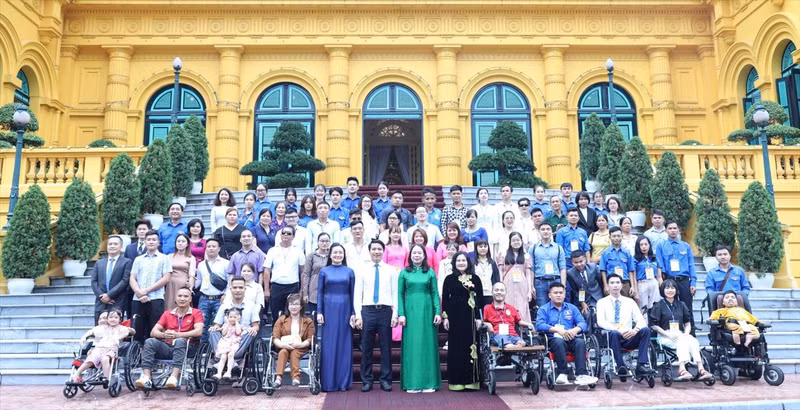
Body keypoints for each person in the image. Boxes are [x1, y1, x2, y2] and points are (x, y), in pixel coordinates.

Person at [134, 287, 204, 389]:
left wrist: (178, 335)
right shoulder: (167, 313)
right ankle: (147, 377)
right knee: (150, 341)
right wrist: (164, 335)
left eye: (185, 296)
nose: (182, 298)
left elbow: (199, 332)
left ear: (190, 299)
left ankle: (174, 377)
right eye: (179, 296)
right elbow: (154, 332)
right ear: (175, 298)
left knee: (180, 341)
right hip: (168, 346)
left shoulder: (196, 313)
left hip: (188, 348)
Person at [354, 240, 398, 392]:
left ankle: (385, 380)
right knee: (366, 347)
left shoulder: (392, 270)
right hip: (367, 311)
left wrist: (395, 314)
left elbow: (395, 293)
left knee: (386, 347)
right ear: (369, 251)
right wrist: (358, 315)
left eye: (379, 249)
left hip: (385, 311)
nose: (377, 252)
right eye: (374, 249)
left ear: (384, 250)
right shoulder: (361, 270)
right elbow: (357, 294)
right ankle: (367, 380)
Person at [398, 244, 442, 393]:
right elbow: (399, 294)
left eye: (419, 253)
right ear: (410, 256)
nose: (416, 255)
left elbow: (435, 293)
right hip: (410, 311)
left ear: (424, 256)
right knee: (412, 345)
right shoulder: (404, 273)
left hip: (427, 310)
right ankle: (412, 383)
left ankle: (429, 382)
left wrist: (438, 312)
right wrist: (401, 314)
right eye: (414, 253)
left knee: (428, 345)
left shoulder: (430, 272)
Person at [535, 282, 597, 385]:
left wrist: (575, 330)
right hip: (553, 339)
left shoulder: (572, 308)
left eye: (561, 292)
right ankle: (562, 374)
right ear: (550, 295)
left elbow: (583, 323)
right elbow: (540, 325)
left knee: (580, 342)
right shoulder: (544, 309)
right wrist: (557, 330)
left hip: (570, 337)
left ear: (564, 295)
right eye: (555, 293)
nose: (558, 295)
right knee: (559, 342)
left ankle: (581, 375)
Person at [649, 280, 711, 381]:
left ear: (676, 290)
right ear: (662, 290)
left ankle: (701, 368)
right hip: (665, 335)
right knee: (683, 341)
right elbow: (654, 326)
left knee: (693, 340)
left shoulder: (681, 304)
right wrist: (668, 335)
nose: (670, 290)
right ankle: (682, 368)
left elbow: (687, 323)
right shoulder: (658, 305)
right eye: (667, 288)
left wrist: (686, 333)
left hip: (680, 334)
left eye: (672, 288)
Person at [595, 274, 655, 378]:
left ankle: (641, 365)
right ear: (608, 285)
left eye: (618, 283)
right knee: (613, 333)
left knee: (646, 330)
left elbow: (641, 321)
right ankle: (620, 365)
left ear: (622, 285)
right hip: (612, 336)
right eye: (612, 283)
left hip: (629, 336)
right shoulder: (601, 302)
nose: (615, 285)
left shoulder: (630, 302)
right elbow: (601, 322)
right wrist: (618, 330)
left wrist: (635, 330)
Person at [441, 252, 484, 391]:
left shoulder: (475, 279)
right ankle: (456, 382)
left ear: (468, 262)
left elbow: (480, 300)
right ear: (454, 263)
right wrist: (445, 317)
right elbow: (445, 299)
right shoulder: (449, 279)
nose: (461, 263)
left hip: (470, 317)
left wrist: (478, 318)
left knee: (471, 346)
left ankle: (472, 381)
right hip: (454, 317)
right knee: (456, 348)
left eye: (463, 260)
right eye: (458, 260)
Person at [317, 243, 356, 391]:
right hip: (329, 309)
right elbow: (320, 293)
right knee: (329, 345)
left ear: (344, 255)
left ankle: (343, 382)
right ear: (330, 255)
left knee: (344, 345)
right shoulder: (324, 271)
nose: (338, 255)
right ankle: (329, 382)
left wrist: (353, 313)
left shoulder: (350, 271)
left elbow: (353, 294)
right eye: (335, 253)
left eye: (340, 253)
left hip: (345, 309)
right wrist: (320, 311)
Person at [208, 276, 261, 366]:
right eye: (235, 287)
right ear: (230, 289)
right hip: (226, 337)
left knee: (250, 334)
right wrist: (215, 327)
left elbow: (256, 326)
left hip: (241, 338)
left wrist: (253, 329)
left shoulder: (251, 305)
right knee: (212, 332)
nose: (237, 290)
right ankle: (220, 356)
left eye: (240, 287)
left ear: (245, 289)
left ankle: (234, 358)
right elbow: (218, 324)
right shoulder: (224, 305)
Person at [130, 230, 172, 344]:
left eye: (154, 240)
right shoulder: (138, 259)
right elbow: (132, 277)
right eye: (148, 240)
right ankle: (136, 356)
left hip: (156, 298)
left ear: (158, 242)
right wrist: (139, 292)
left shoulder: (165, 258)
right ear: (145, 241)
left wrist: (146, 291)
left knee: (154, 328)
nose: (151, 242)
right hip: (137, 299)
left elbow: (166, 278)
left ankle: (151, 357)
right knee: (136, 329)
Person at [655, 221, 697, 335]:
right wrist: (660, 279)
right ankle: (671, 334)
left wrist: (693, 282)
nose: (672, 230)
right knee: (669, 308)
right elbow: (659, 263)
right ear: (666, 230)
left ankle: (691, 335)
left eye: (675, 228)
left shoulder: (686, 246)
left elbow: (691, 265)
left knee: (687, 309)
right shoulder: (661, 246)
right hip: (669, 280)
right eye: (670, 228)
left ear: (679, 230)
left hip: (683, 280)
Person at [71, 309, 135, 383]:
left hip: (111, 349)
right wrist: (84, 337)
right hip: (99, 348)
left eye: (116, 317)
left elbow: (133, 332)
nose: (113, 319)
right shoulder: (103, 328)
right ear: (107, 319)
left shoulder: (121, 328)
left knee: (105, 359)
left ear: (120, 319)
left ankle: (106, 378)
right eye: (111, 317)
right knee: (90, 359)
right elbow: (92, 331)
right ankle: (77, 374)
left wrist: (128, 331)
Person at [265, 226, 306, 322]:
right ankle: (276, 335)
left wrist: (302, 290)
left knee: (292, 315)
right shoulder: (272, 251)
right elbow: (267, 270)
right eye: (284, 233)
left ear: (293, 236)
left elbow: (303, 271)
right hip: (276, 287)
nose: (286, 235)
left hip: (292, 287)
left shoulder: (298, 251)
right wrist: (266, 289)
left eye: (289, 233)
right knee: (276, 315)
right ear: (280, 235)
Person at [272, 294, 314, 387]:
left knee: (295, 352)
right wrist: (284, 345)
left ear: (301, 306)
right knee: (282, 352)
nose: (294, 307)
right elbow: (275, 338)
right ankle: (278, 378)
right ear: (288, 306)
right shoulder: (281, 320)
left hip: (301, 347)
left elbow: (310, 339)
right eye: (291, 304)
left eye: (296, 304)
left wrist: (300, 345)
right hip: (284, 345)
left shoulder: (308, 321)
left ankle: (296, 377)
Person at [91, 236, 132, 323]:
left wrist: (109, 295)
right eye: (110, 244)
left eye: (115, 244)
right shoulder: (99, 263)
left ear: (121, 247)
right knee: (99, 330)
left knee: (115, 332)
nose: (112, 246)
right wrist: (102, 296)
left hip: (117, 301)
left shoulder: (126, 262)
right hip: (100, 301)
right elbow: (94, 281)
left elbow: (125, 281)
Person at [196, 238, 229, 344]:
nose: (211, 249)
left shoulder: (225, 263)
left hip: (219, 299)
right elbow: (199, 281)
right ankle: (202, 348)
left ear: (219, 249)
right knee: (202, 324)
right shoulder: (201, 265)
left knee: (217, 324)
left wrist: (226, 294)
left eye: (214, 246)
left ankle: (217, 348)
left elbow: (230, 281)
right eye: (209, 246)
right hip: (204, 298)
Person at [483, 282, 532, 348]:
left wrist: (529, 324)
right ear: (492, 292)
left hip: (513, 335)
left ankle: (515, 347)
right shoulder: (487, 308)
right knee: (507, 344)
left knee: (522, 343)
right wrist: (488, 324)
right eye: (496, 290)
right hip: (498, 335)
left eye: (502, 290)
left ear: (506, 292)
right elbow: (483, 322)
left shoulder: (511, 308)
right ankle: (513, 347)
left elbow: (519, 321)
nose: (499, 292)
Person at [497, 232, 533, 322]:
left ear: (522, 241)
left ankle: (523, 331)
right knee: (508, 306)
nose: (516, 242)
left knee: (522, 307)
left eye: (518, 240)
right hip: (508, 285)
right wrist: (501, 285)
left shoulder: (526, 256)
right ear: (510, 242)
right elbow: (500, 271)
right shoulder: (503, 255)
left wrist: (529, 290)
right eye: (513, 240)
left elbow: (528, 274)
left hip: (522, 286)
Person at [530, 222, 567, 308]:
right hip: (540, 281)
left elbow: (562, 268)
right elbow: (531, 269)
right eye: (543, 229)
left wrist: (563, 285)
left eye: (548, 229)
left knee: (557, 306)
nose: (545, 231)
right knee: (542, 307)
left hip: (555, 280)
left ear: (551, 231)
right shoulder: (534, 248)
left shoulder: (558, 248)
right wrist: (531, 286)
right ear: (539, 232)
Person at [599, 227, 636, 299]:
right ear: (610, 237)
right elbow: (603, 270)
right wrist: (606, 285)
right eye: (614, 236)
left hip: (625, 283)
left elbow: (631, 270)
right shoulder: (606, 252)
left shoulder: (627, 252)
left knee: (625, 305)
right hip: (611, 283)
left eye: (618, 236)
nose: (616, 238)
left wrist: (632, 286)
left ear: (622, 237)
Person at [165, 234, 196, 312]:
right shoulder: (169, 256)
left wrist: (190, 288)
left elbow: (192, 275)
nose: (180, 243)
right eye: (178, 241)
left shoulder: (191, 258)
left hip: (183, 285)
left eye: (183, 241)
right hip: (170, 285)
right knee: (169, 306)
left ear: (187, 244)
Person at [302, 232, 331, 314]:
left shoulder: (332, 256)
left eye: (327, 241)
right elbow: (306, 274)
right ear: (317, 242)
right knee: (314, 315)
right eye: (322, 241)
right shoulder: (311, 256)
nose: (324, 243)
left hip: (328, 288)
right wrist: (305, 293)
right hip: (314, 289)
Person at [213, 307, 244, 380]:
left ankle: (228, 372)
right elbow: (223, 333)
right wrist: (227, 323)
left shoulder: (239, 326)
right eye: (230, 317)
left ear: (239, 318)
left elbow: (238, 332)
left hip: (234, 343)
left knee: (231, 355)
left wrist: (237, 322)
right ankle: (219, 373)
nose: (232, 319)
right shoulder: (226, 325)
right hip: (225, 342)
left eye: (235, 317)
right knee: (223, 356)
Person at [634, 236, 662, 310]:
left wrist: (661, 286)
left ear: (649, 245)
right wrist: (635, 291)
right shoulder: (635, 259)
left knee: (655, 307)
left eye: (646, 244)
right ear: (638, 246)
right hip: (642, 283)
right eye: (641, 245)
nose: (644, 247)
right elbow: (633, 277)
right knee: (643, 308)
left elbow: (659, 276)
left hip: (653, 282)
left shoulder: (655, 258)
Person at [473, 239, 500, 306]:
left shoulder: (492, 263)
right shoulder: (472, 263)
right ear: (476, 248)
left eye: (485, 246)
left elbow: (496, 278)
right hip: (477, 293)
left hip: (490, 293)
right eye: (480, 246)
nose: (483, 248)